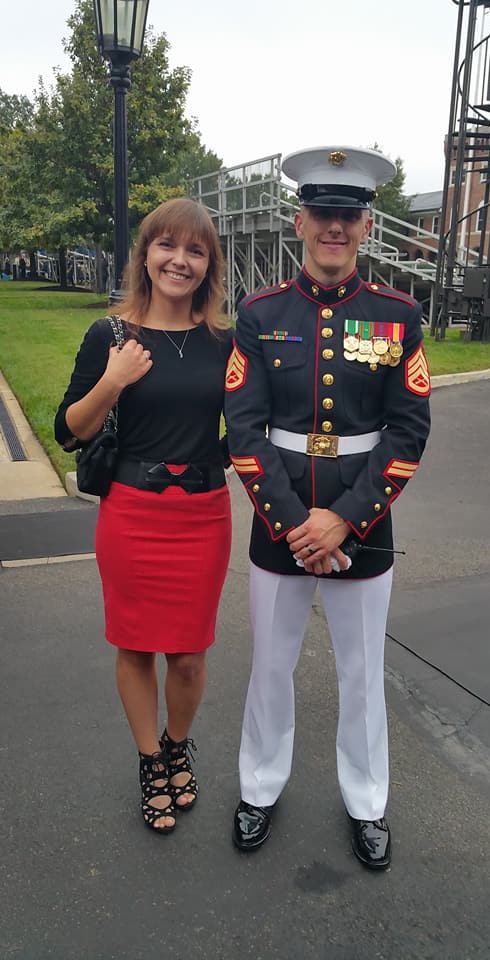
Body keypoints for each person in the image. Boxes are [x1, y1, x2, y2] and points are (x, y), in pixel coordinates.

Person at [224, 146, 431, 870]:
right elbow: (243, 431)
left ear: (367, 226)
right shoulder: (261, 313)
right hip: (279, 520)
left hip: (363, 524)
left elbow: (408, 431)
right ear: (299, 222)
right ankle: (259, 786)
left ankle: (367, 800)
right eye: (322, 214)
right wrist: (295, 525)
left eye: (348, 215)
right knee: (270, 667)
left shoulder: (398, 316)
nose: (334, 227)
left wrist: (343, 518)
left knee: (363, 674)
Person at [55, 198, 233, 834]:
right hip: (131, 515)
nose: (179, 261)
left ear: (208, 265)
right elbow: (69, 431)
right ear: (146, 254)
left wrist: (213, 464)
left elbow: (249, 426)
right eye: (167, 246)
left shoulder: (224, 343)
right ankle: (149, 762)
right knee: (135, 647)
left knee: (188, 655)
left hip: (204, 518)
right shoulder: (110, 336)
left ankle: (177, 746)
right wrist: (114, 379)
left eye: (195, 251)